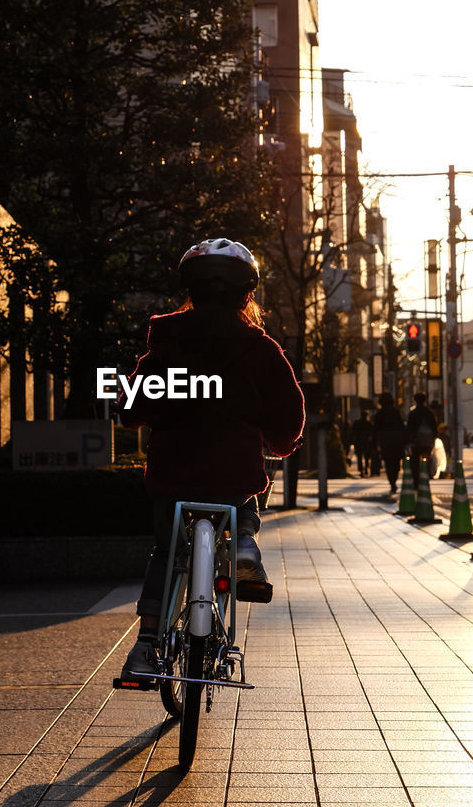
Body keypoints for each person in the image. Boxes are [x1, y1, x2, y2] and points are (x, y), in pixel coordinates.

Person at [118, 238, 305, 677]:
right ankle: (243, 541)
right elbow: (288, 414)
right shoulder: (261, 350)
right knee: (243, 496)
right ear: (247, 294)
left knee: (166, 553)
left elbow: (131, 409)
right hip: (232, 474)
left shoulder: (164, 347)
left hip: (172, 473)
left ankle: (145, 648)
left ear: (191, 290)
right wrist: (280, 442)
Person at [407, 392, 440, 486]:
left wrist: (409, 440)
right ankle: (426, 476)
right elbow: (434, 427)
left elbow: (409, 428)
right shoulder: (429, 413)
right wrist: (434, 437)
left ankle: (416, 481)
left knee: (415, 461)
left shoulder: (413, 413)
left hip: (416, 441)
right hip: (427, 441)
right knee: (427, 459)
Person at [375, 393, 406, 493]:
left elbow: (376, 429)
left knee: (388, 463)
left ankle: (392, 482)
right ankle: (394, 480)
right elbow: (401, 427)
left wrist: (376, 443)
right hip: (396, 441)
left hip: (385, 442)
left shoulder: (379, 413)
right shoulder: (396, 412)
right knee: (396, 462)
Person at [350, 406, 378, 478]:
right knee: (366, 456)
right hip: (366, 442)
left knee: (359, 457)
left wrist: (352, 440)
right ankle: (365, 467)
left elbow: (353, 433)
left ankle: (361, 470)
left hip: (359, 442)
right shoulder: (368, 423)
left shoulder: (357, 423)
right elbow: (372, 433)